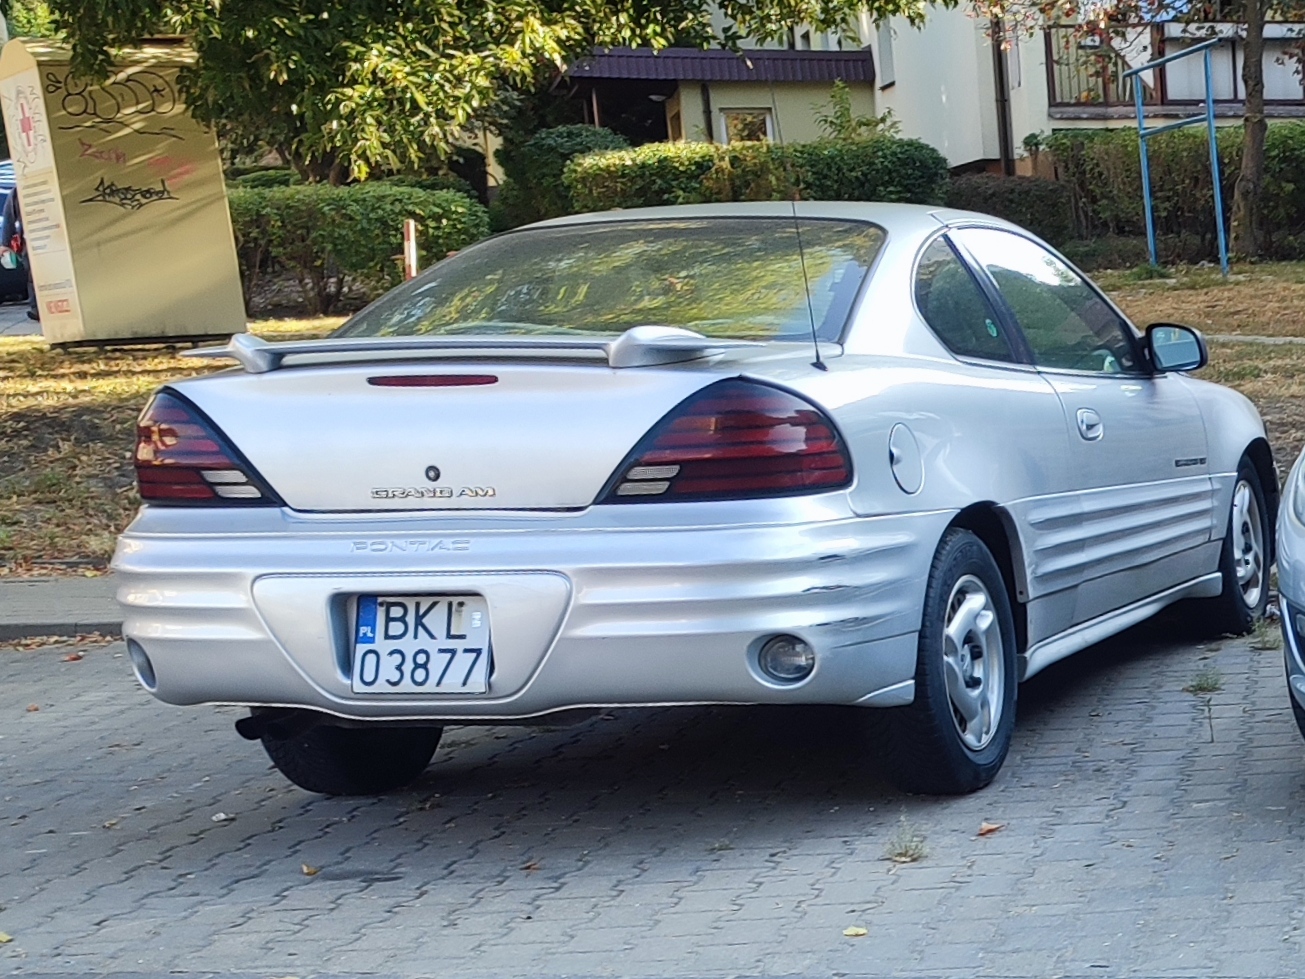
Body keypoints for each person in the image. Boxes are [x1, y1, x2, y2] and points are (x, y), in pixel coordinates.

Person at [0, 190, 37, 321]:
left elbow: (9, 218)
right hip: (42, 238)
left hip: (30, 240)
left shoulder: (18, 191)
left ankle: (36, 308)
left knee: (33, 275)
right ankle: (37, 308)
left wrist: (5, 243)